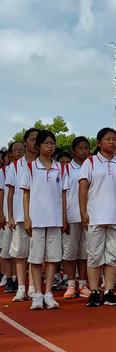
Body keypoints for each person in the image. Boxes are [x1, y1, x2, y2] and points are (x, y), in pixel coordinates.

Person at [79, 127, 116, 307]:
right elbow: (83, 187)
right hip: (95, 216)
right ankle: (94, 291)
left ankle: (109, 291)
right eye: (108, 139)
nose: (112, 142)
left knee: (112, 256)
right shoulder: (90, 162)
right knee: (94, 256)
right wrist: (83, 212)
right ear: (99, 143)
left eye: (115, 139)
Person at [21, 130, 68, 310]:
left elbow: (63, 195)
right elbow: (26, 194)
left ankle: (48, 293)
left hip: (55, 219)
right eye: (47, 143)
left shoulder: (61, 168)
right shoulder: (31, 167)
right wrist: (26, 218)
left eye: (53, 143)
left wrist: (63, 218)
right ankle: (37, 294)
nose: (50, 146)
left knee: (53, 258)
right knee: (36, 257)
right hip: (37, 219)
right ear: (38, 146)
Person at [7, 128, 39, 302]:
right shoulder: (15, 165)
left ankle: (33, 287)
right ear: (25, 142)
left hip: (39, 217)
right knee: (20, 254)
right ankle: (21, 288)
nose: (35, 143)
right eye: (32, 139)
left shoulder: (43, 164)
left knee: (36, 254)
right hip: (20, 216)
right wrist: (10, 216)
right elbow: (10, 193)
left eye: (37, 140)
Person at [62, 137, 91, 300]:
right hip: (72, 215)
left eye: (86, 148)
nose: (84, 151)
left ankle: (83, 284)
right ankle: (71, 284)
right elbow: (63, 194)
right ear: (74, 150)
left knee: (85, 253)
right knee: (70, 252)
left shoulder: (91, 166)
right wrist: (64, 217)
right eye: (80, 148)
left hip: (88, 216)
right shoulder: (66, 169)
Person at [1, 141, 25, 293]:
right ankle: (8, 278)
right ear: (9, 154)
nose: (19, 152)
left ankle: (17, 279)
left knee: (19, 250)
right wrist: (3, 214)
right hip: (8, 215)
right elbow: (2, 193)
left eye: (21, 149)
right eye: (15, 150)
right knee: (6, 249)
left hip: (22, 215)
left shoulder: (28, 168)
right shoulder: (4, 171)